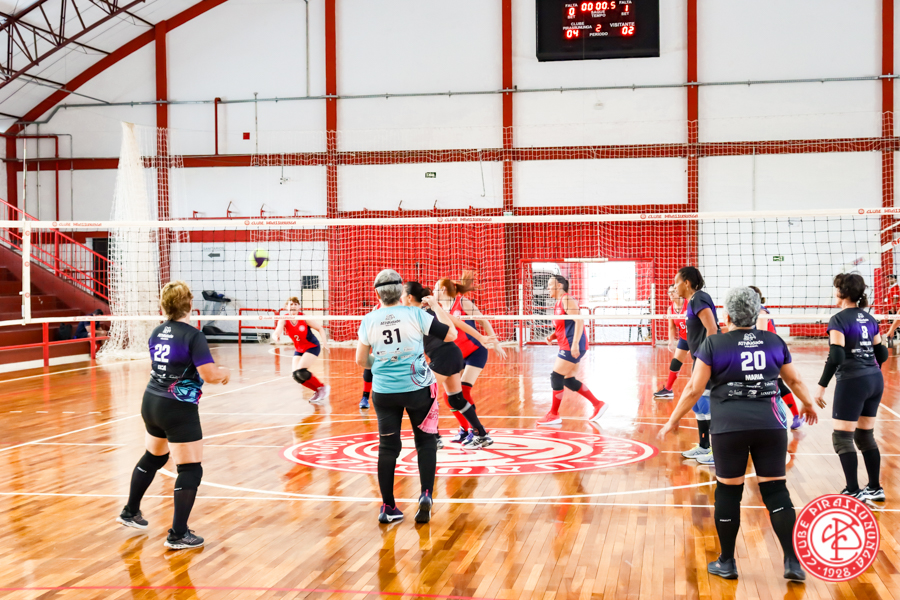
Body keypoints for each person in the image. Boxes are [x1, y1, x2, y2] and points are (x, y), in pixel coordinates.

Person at [659, 287, 819, 582]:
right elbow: (794, 380)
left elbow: (694, 389)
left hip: (729, 427)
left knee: (729, 491)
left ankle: (727, 562)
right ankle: (792, 562)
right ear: (757, 313)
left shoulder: (713, 344)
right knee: (776, 490)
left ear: (727, 315)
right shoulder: (774, 341)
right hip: (770, 425)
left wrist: (672, 420)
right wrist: (808, 404)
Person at [116, 281, 230, 549]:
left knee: (154, 456)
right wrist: (223, 374)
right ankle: (178, 534)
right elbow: (208, 375)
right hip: (177, 407)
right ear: (190, 304)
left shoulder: (157, 332)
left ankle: (130, 511)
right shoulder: (194, 336)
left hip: (151, 401)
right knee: (190, 468)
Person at [356, 269, 457, 524]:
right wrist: (436, 306)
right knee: (425, 442)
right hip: (417, 389)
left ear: (377, 293)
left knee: (387, 447)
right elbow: (452, 335)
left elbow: (361, 360)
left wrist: (382, 364)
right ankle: (426, 495)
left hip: (384, 392)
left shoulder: (369, 320)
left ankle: (388, 507)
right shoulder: (416, 314)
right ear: (401, 292)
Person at [814, 273, 887, 501]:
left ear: (841, 292)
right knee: (865, 436)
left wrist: (821, 386)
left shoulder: (838, 319)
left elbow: (836, 355)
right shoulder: (870, 319)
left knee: (842, 438)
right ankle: (874, 488)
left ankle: (853, 490)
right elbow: (882, 353)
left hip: (853, 381)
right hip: (874, 379)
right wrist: (869, 369)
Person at [403, 281, 496, 448]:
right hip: (452, 355)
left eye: (402, 294)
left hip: (444, 357)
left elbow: (458, 324)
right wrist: (480, 337)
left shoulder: (421, 314)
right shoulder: (423, 312)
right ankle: (482, 434)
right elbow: (458, 323)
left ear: (409, 297)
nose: (400, 297)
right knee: (456, 399)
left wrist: (481, 338)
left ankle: (434, 437)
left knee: (422, 395)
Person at [434, 272, 507, 443]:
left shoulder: (462, 302)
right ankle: (464, 429)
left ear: (443, 290)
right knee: (449, 397)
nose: (433, 291)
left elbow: (483, 321)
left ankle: (476, 430)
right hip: (457, 355)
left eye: (435, 288)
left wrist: (496, 343)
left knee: (464, 392)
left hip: (475, 351)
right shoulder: (438, 310)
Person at [537, 274, 607, 425]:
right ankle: (598, 404)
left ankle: (554, 414)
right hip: (567, 344)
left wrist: (574, 344)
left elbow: (579, 321)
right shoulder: (558, 303)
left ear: (559, 285)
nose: (547, 287)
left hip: (571, 345)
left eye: (550, 284)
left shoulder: (567, 300)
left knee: (556, 377)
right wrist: (552, 336)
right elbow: (565, 325)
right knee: (568, 380)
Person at [674, 266, 719, 465]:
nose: (674, 286)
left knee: (706, 402)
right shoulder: (692, 301)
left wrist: (706, 359)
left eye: (677, 282)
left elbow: (712, 328)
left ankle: (717, 452)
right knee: (698, 404)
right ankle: (704, 446)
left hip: (706, 360)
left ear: (687, 283)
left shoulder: (699, 298)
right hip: (699, 359)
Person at [748, 286, 803, 430]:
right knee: (772, 383)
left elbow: (761, 334)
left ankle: (795, 416)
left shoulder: (760, 312)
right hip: (767, 351)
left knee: (777, 383)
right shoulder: (754, 312)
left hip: (770, 351)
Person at [272, 296, 330, 404]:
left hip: (312, 346)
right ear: (286, 307)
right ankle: (317, 391)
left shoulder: (304, 318)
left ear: (299, 307)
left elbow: (320, 328)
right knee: (296, 376)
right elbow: (277, 331)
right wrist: (276, 336)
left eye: (295, 304)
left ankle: (322, 388)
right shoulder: (284, 319)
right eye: (291, 304)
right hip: (299, 349)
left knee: (301, 371)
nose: (293, 306)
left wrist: (324, 343)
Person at [653, 285, 690, 399]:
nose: (671, 294)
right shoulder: (670, 309)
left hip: (696, 338)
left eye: (673, 291)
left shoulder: (689, 304)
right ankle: (668, 389)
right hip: (684, 339)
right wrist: (671, 341)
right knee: (675, 363)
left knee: (701, 364)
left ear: (679, 292)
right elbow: (672, 326)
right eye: (669, 292)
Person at [360, 297, 382, 409]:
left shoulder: (400, 307)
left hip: (397, 348)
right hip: (379, 346)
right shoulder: (376, 308)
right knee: (368, 366)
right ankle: (365, 397)